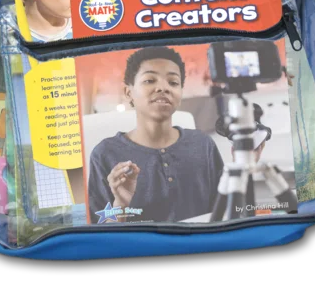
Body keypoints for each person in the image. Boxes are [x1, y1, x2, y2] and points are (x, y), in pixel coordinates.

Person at [86, 47, 225, 224]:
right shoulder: (105, 154)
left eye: (173, 82)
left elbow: (225, 211)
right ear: (129, 93)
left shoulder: (203, 144)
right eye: (149, 80)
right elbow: (100, 233)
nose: (163, 88)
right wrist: (121, 204)